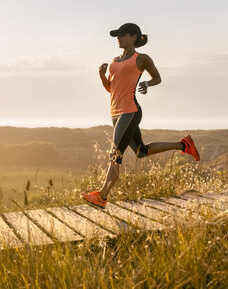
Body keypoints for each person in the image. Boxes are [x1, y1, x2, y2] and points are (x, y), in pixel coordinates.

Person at [81, 23, 200, 209]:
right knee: (141, 152)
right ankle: (183, 144)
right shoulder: (114, 61)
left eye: (122, 35)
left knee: (115, 154)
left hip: (130, 111)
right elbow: (110, 89)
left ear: (134, 37)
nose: (118, 38)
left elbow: (157, 77)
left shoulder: (141, 58)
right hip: (115, 113)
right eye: (117, 36)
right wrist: (101, 75)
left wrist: (147, 83)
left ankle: (102, 197)